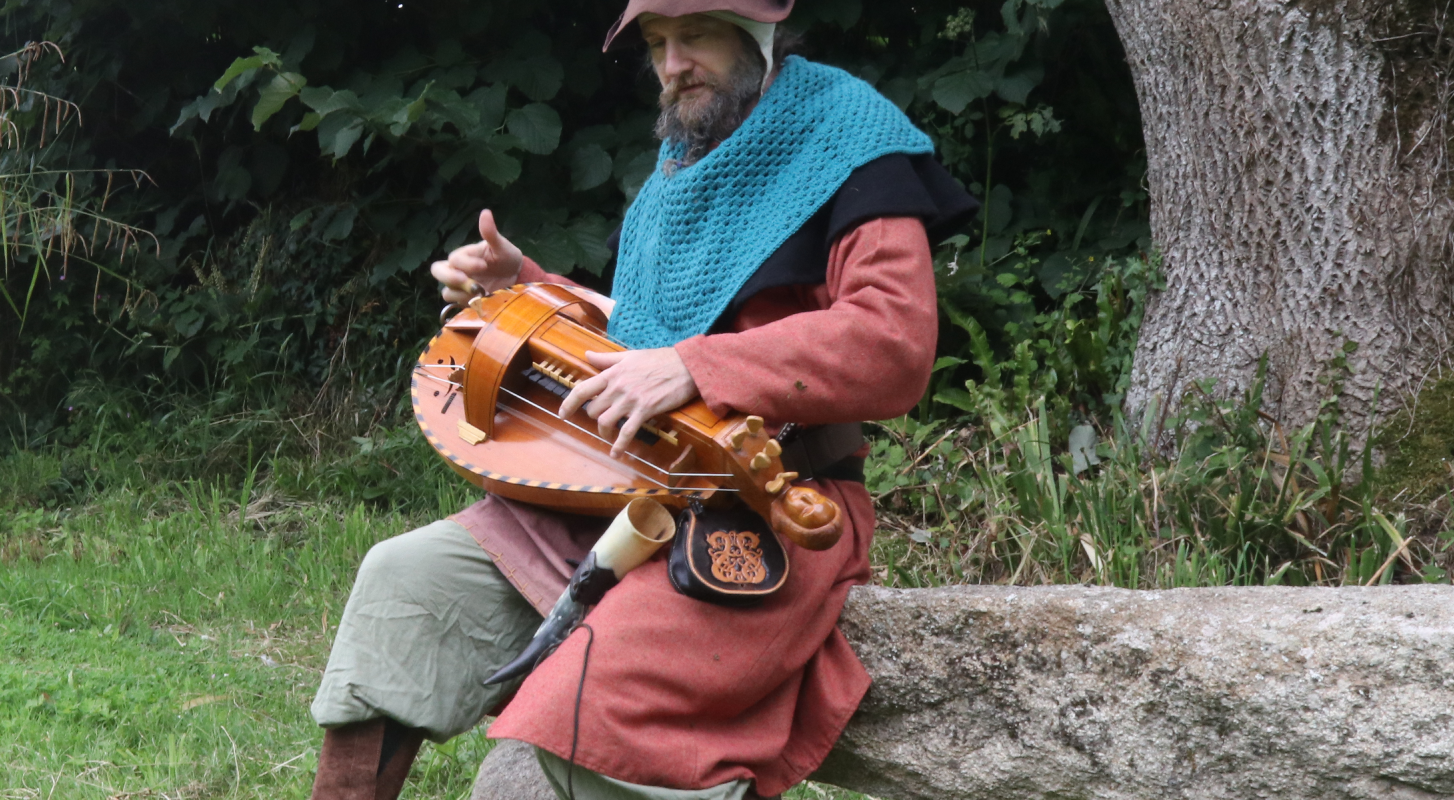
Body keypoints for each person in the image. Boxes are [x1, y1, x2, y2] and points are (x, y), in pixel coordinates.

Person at [305, 1, 980, 799]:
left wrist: (700, 367)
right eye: (658, 43)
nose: (672, 64)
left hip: (767, 509)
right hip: (618, 490)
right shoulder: (678, 168)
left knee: (559, 744)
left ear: (757, 35)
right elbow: (643, 336)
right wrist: (528, 286)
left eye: (694, 36)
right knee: (406, 583)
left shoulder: (855, 143)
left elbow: (892, 343)